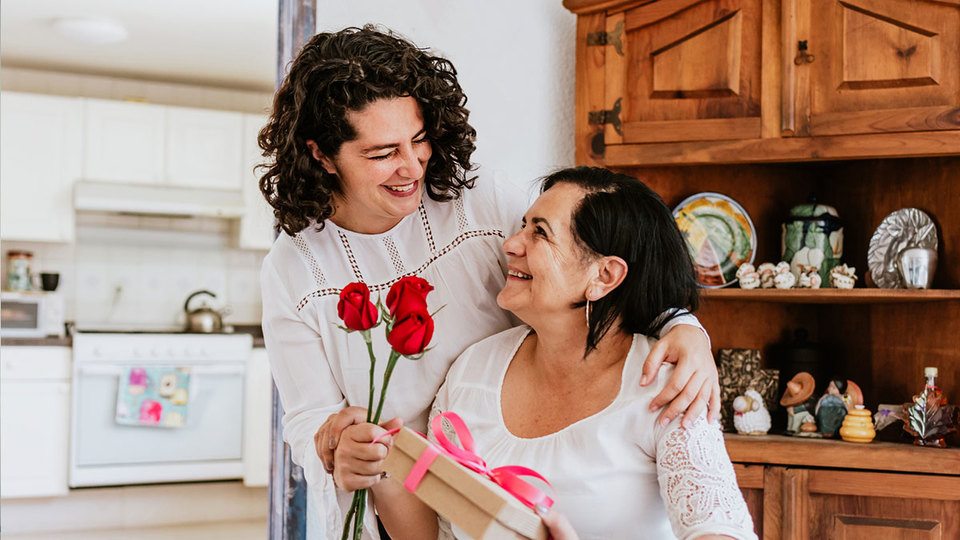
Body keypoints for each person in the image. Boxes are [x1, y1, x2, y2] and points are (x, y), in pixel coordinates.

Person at [257, 26, 720, 539]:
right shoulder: (294, 270)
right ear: (321, 154)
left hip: (519, 436)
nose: (412, 166)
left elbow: (585, 262)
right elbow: (309, 419)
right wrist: (340, 448)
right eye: (382, 153)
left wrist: (682, 325)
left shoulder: (478, 202)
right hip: (402, 497)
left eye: (418, 139)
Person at [339, 167, 755, 539]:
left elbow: (718, 532)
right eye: (523, 225)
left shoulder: (669, 386)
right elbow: (429, 534)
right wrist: (378, 468)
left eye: (540, 232)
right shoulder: (472, 370)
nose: (510, 243)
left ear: (604, 276)